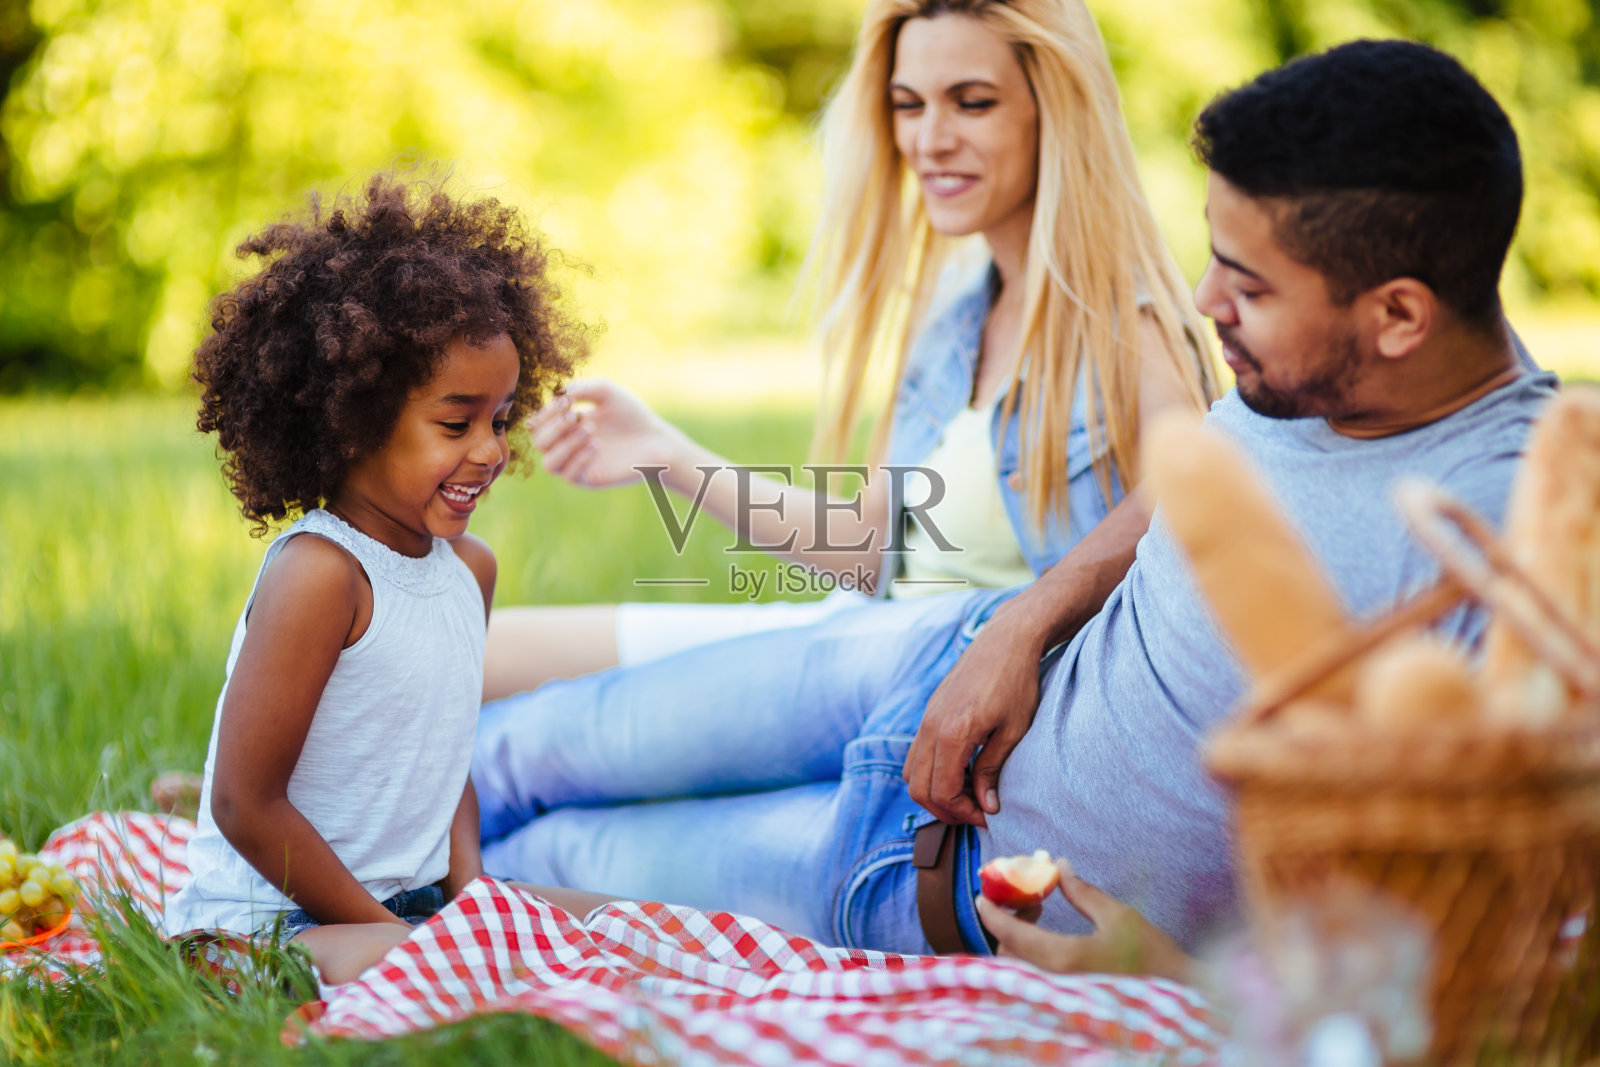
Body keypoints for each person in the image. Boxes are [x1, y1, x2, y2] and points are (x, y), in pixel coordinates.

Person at [472, 37, 1558, 969]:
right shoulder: (1315, 371)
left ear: (1400, 314)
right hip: (933, 656)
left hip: (926, 869)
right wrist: (1026, 619)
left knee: (551, 858)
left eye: (1249, 285)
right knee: (527, 745)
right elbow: (1182, 489)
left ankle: (308, 891)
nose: (1202, 301)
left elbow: (1469, 926)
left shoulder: (1512, 536)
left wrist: (1182, 978)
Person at [481, 0, 1221, 698]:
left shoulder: (1131, 329)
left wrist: (1031, 618)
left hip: (897, 671)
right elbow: (869, 550)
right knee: (486, 654)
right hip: (845, 636)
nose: (930, 139)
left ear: (1054, 111)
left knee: (523, 747)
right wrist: (667, 454)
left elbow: (1195, 503)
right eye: (909, 105)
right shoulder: (954, 322)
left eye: (972, 102)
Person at [160, 176, 584, 985]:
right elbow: (245, 804)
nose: (493, 450)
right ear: (351, 422)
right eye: (456, 423)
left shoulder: (470, 570)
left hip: (402, 907)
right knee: (465, 973)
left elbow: (446, 753)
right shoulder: (322, 574)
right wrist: (406, 936)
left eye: (500, 418)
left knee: (604, 922)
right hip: (260, 925)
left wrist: (469, 900)